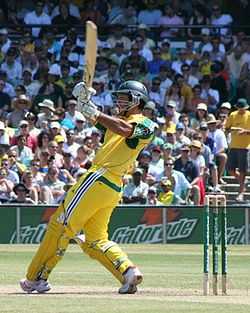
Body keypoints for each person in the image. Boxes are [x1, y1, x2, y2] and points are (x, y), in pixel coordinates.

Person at [20, 80, 156, 294]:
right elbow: (103, 122)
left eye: (124, 97)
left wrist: (95, 112)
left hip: (99, 178)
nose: (119, 101)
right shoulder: (118, 121)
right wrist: (85, 103)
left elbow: (124, 129)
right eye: (118, 97)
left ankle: (36, 277)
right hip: (111, 187)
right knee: (96, 240)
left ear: (137, 100)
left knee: (61, 224)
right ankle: (128, 272)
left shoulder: (145, 123)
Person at [225, 98, 250, 202]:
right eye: (240, 108)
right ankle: (242, 184)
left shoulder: (249, 115)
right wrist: (232, 130)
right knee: (230, 169)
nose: (241, 110)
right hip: (233, 146)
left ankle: (241, 193)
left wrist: (245, 132)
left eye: (242, 108)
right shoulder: (232, 115)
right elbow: (226, 128)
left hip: (245, 147)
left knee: (243, 171)